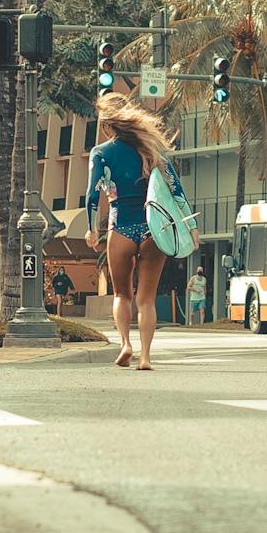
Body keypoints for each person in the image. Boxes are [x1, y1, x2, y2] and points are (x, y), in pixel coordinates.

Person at [84, 91, 183, 371]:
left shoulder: (101, 153)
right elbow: (176, 190)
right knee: (147, 300)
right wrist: (192, 228)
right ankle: (146, 357)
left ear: (106, 125)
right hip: (154, 229)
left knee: (121, 295)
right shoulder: (151, 148)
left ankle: (125, 343)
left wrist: (92, 230)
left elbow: (92, 195)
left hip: (121, 227)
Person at [187, 262, 209, 327]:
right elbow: (188, 287)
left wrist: (204, 294)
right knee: (192, 313)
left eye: (201, 270)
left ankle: (202, 324)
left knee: (202, 311)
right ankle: (191, 322)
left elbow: (204, 288)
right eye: (199, 270)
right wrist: (196, 290)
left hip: (202, 298)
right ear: (197, 271)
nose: (200, 271)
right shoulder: (193, 278)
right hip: (194, 298)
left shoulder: (204, 279)